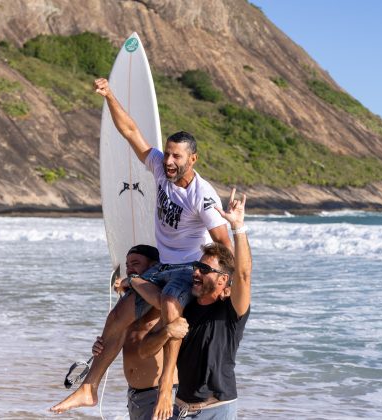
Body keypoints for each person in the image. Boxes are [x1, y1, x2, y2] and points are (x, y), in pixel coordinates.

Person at [50, 78, 231, 415]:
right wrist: (109, 97)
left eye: (177, 156)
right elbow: (130, 131)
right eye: (169, 153)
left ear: (194, 158)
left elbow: (222, 242)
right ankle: (89, 388)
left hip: (186, 268)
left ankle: (165, 391)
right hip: (162, 265)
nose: (170, 161)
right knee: (118, 315)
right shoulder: (161, 170)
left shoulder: (202, 196)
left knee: (170, 307)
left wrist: (227, 282)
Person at [139, 189, 251, 420]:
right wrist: (167, 331)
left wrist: (238, 227)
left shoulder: (231, 312)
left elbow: (242, 275)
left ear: (222, 280)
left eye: (205, 270)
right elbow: (144, 350)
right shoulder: (184, 306)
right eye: (196, 268)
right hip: (180, 409)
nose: (196, 273)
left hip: (217, 410)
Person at [94, 245, 185, 420]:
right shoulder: (130, 303)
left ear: (153, 266)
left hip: (160, 395)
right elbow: (123, 339)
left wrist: (133, 280)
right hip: (135, 396)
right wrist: (101, 344)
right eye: (127, 265)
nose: (129, 269)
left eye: (135, 263)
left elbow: (160, 302)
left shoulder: (163, 297)